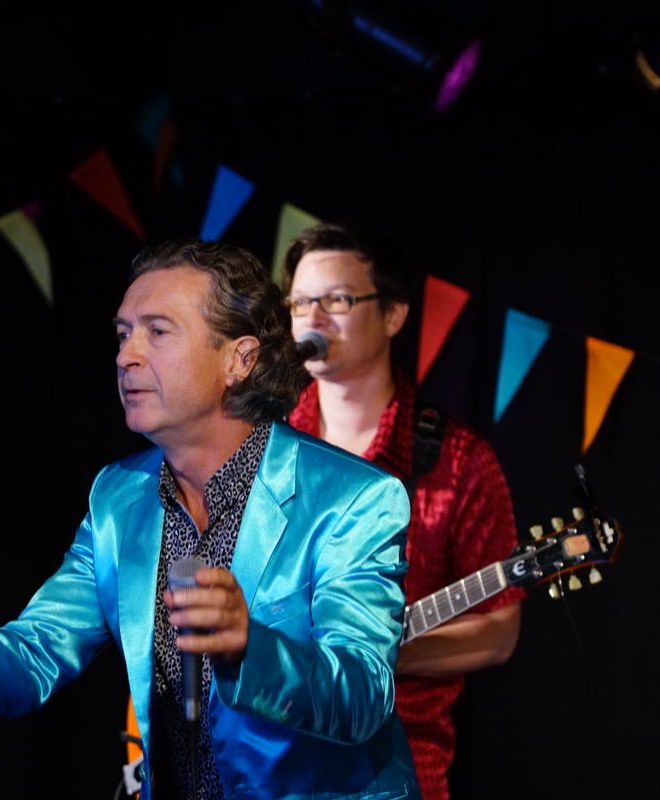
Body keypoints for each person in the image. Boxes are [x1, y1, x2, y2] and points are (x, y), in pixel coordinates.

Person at [0, 237, 422, 800]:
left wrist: (249, 648)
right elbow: (29, 660)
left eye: (157, 332)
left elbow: (363, 696)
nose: (126, 355)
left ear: (240, 359)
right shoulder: (120, 498)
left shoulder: (353, 498)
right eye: (122, 333)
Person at [281, 222, 524, 800]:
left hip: (394, 770)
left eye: (338, 300)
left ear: (393, 315)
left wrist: (378, 652)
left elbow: (500, 631)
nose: (313, 319)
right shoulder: (264, 443)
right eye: (300, 302)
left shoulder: (459, 461)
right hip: (267, 766)